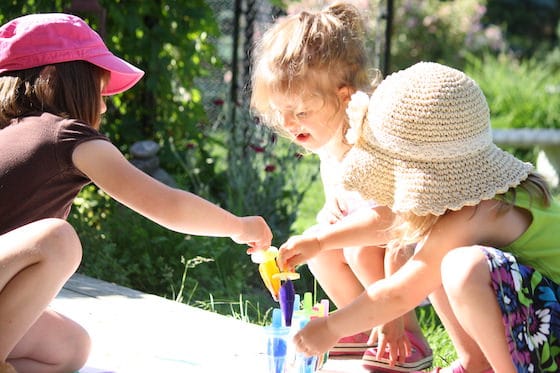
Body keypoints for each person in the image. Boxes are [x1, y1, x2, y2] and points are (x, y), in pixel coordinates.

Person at [0, 13, 272, 373]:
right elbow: (167, 204)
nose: (103, 106)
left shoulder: (13, 131)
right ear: (53, 78)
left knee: (70, 347)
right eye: (98, 91)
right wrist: (239, 226)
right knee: (57, 240)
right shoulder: (65, 136)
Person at [277, 60, 560, 372]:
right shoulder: (463, 199)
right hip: (540, 318)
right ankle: (475, 363)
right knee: (437, 252)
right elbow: (389, 223)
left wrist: (331, 328)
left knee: (459, 266)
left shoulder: (477, 212)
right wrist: (319, 241)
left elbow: (400, 293)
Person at [250, 3, 432, 371]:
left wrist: (392, 312)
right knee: (325, 244)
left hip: (419, 247)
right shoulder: (329, 142)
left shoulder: (364, 146)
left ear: (344, 96)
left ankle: (407, 339)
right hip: (385, 245)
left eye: (300, 112)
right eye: (280, 112)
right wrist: (325, 226)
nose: (288, 124)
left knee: (357, 250)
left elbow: (391, 224)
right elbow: (342, 207)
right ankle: (363, 327)